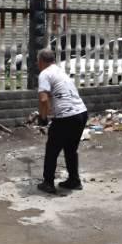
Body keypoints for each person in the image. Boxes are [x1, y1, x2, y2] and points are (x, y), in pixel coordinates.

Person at [36, 48, 88, 194]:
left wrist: (43, 118)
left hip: (66, 116)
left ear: (39, 61)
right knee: (70, 149)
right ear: (53, 60)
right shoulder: (60, 71)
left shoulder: (45, 73)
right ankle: (74, 180)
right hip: (81, 113)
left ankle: (48, 183)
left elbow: (43, 99)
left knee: (52, 150)